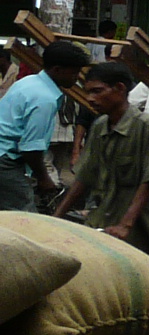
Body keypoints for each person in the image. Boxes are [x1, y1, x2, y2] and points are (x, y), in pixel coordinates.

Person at [52, 61, 149, 264]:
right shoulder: (100, 125)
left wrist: (125, 225)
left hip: (138, 224)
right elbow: (84, 177)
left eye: (97, 91)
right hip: (104, 217)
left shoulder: (146, 125)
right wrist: (56, 216)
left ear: (119, 88)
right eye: (88, 92)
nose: (90, 99)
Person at [0, 39, 88, 211]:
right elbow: (30, 148)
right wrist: (43, 178)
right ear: (57, 70)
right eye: (74, 72)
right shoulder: (44, 99)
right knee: (24, 215)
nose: (77, 77)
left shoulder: (28, 82)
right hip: (5, 160)